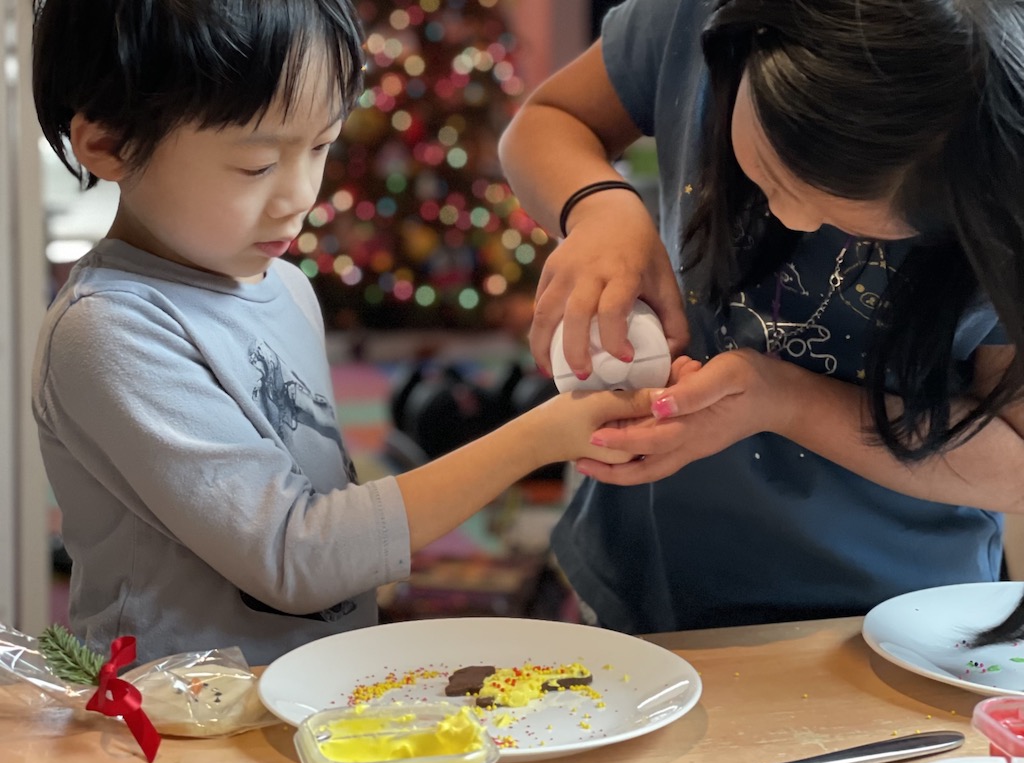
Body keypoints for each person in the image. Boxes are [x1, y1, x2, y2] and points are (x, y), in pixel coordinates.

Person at [29, 0, 659, 666]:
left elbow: (331, 517)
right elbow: (294, 556)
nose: (300, 195)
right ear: (108, 145)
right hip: (179, 728)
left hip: (307, 698)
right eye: (256, 166)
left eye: (321, 146)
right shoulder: (110, 329)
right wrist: (540, 436)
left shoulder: (285, 286)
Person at [498, 0, 1024, 635]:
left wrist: (784, 400)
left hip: (895, 620)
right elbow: (548, 120)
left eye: (847, 220)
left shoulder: (1002, 173)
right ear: (749, 44)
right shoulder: (694, 17)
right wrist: (600, 207)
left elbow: (1015, 466)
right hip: (642, 574)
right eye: (771, 175)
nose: (793, 222)